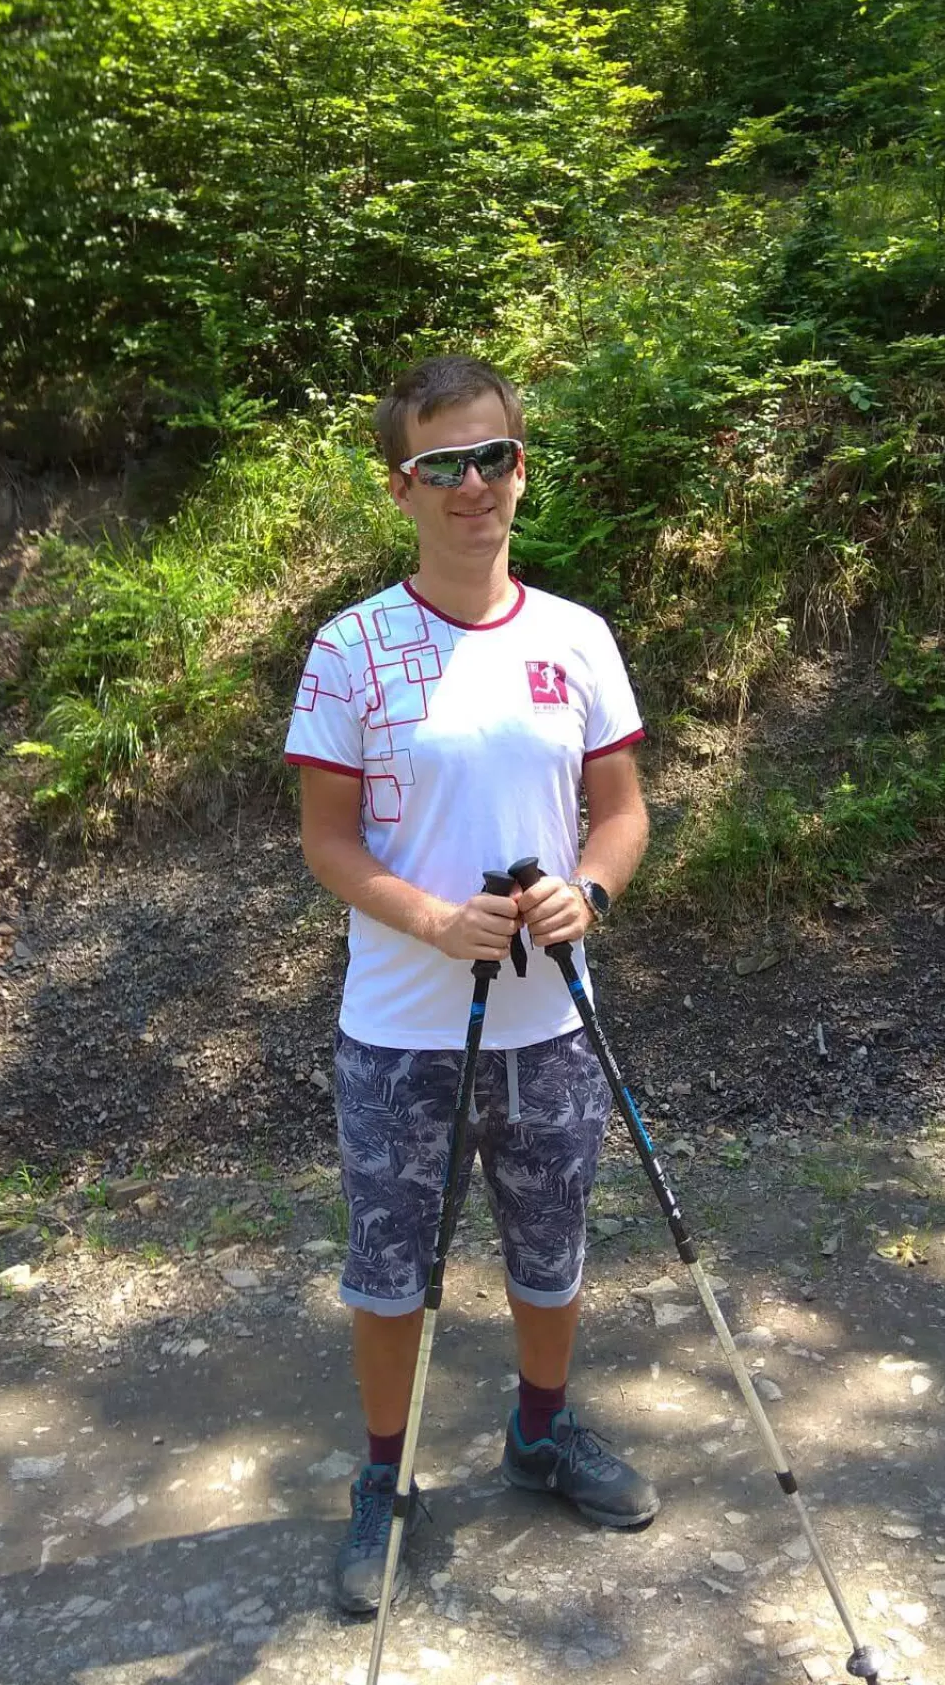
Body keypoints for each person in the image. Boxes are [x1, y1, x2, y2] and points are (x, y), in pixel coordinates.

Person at [285, 355, 654, 1615]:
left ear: (519, 468)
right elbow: (327, 842)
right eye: (439, 464)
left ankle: (539, 1435)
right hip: (399, 1031)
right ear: (399, 487)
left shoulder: (575, 637)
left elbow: (620, 814)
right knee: (390, 1273)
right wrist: (436, 922)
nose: (470, 485)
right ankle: (383, 1480)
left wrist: (587, 892)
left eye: (490, 456)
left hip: (552, 1022)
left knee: (550, 1252)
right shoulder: (349, 648)